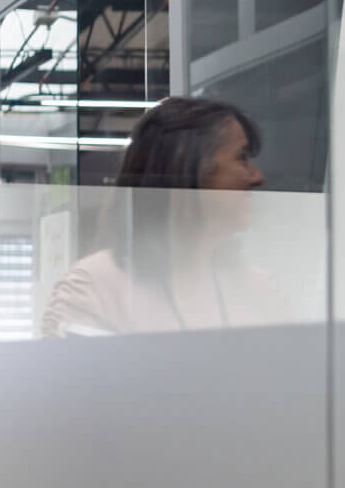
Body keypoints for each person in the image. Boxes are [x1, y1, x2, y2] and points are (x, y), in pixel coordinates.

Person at [41, 96, 280, 337]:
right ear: (187, 168)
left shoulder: (258, 290)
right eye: (241, 157)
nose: (256, 177)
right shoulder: (93, 290)